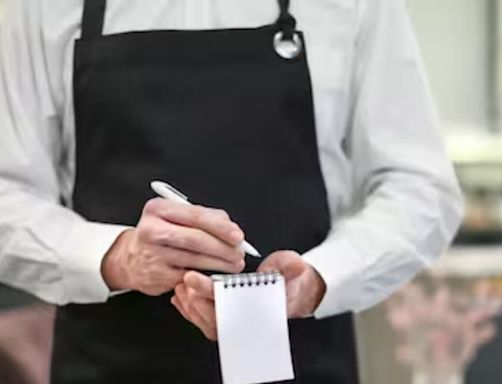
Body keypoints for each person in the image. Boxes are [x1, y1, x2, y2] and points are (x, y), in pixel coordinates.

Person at [0, 0, 463, 383]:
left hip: (303, 360)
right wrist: (117, 257)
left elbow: (421, 189)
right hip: (108, 363)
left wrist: (319, 280)